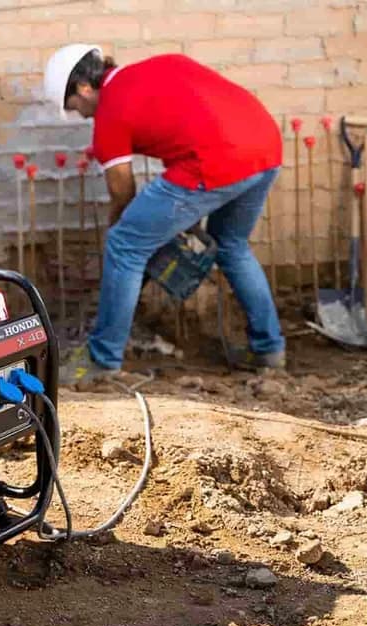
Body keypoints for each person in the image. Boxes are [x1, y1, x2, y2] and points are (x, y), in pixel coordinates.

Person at [43, 45, 285, 384]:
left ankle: (102, 359)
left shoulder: (110, 114)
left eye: (75, 106)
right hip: (266, 145)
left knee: (125, 245)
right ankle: (270, 350)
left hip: (214, 162)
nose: (81, 115)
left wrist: (122, 231)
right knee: (231, 244)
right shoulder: (164, 63)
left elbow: (122, 191)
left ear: (84, 88)